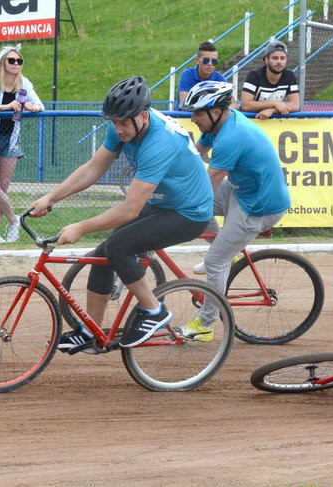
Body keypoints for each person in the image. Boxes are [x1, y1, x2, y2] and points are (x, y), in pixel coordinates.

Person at [29, 76, 214, 352]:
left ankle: (154, 311)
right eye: (114, 122)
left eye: (124, 123)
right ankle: (91, 331)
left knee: (118, 246)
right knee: (103, 255)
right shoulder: (123, 125)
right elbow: (94, 168)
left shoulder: (159, 141)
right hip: (164, 203)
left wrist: (80, 227)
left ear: (143, 116)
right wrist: (50, 197)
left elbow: (130, 209)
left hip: (190, 212)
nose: (118, 129)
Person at [180, 80, 291, 341]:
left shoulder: (231, 137)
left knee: (214, 261)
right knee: (196, 206)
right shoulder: (217, 123)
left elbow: (206, 186)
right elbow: (195, 156)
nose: (193, 118)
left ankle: (205, 325)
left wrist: (179, 203)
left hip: (259, 205)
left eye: (197, 113)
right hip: (241, 190)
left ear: (215, 112)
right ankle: (225, 249)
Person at [0, 43, 44, 243]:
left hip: (11, 138)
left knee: (3, 187)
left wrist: (32, 106)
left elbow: (41, 104)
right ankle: (14, 220)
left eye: (19, 61)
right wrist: (6, 106)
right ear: (3, 63)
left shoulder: (24, 83)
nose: (16, 64)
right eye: (11, 60)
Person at [240, 40, 300, 120]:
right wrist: (275, 103)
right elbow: (246, 105)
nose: (279, 62)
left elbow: (295, 105)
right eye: (275, 58)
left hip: (272, 124)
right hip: (251, 121)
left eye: (282, 58)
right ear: (266, 60)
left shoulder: (289, 76)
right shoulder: (254, 75)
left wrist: (272, 110)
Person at [177, 41, 236, 109]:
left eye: (214, 61)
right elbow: (185, 104)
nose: (210, 64)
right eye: (206, 60)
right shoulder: (187, 75)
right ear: (197, 60)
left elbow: (234, 105)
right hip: (185, 117)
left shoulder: (220, 79)